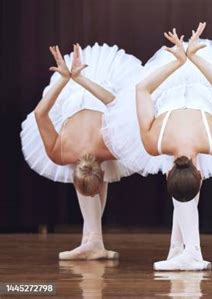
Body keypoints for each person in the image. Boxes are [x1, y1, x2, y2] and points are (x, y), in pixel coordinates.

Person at [104, 22, 212, 270]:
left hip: (201, 83)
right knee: (183, 190)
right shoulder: (153, 142)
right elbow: (143, 89)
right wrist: (182, 61)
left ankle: (184, 251)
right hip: (173, 83)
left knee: (184, 191)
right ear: (171, 172)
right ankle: (185, 251)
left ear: (200, 174)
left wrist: (186, 60)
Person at [21, 43, 142, 260]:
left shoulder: (64, 153)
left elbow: (40, 114)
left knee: (95, 173)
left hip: (78, 94)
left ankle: (93, 240)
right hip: (93, 90)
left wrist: (68, 80)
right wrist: (71, 80)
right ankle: (93, 240)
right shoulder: (107, 148)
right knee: (96, 172)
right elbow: (115, 103)